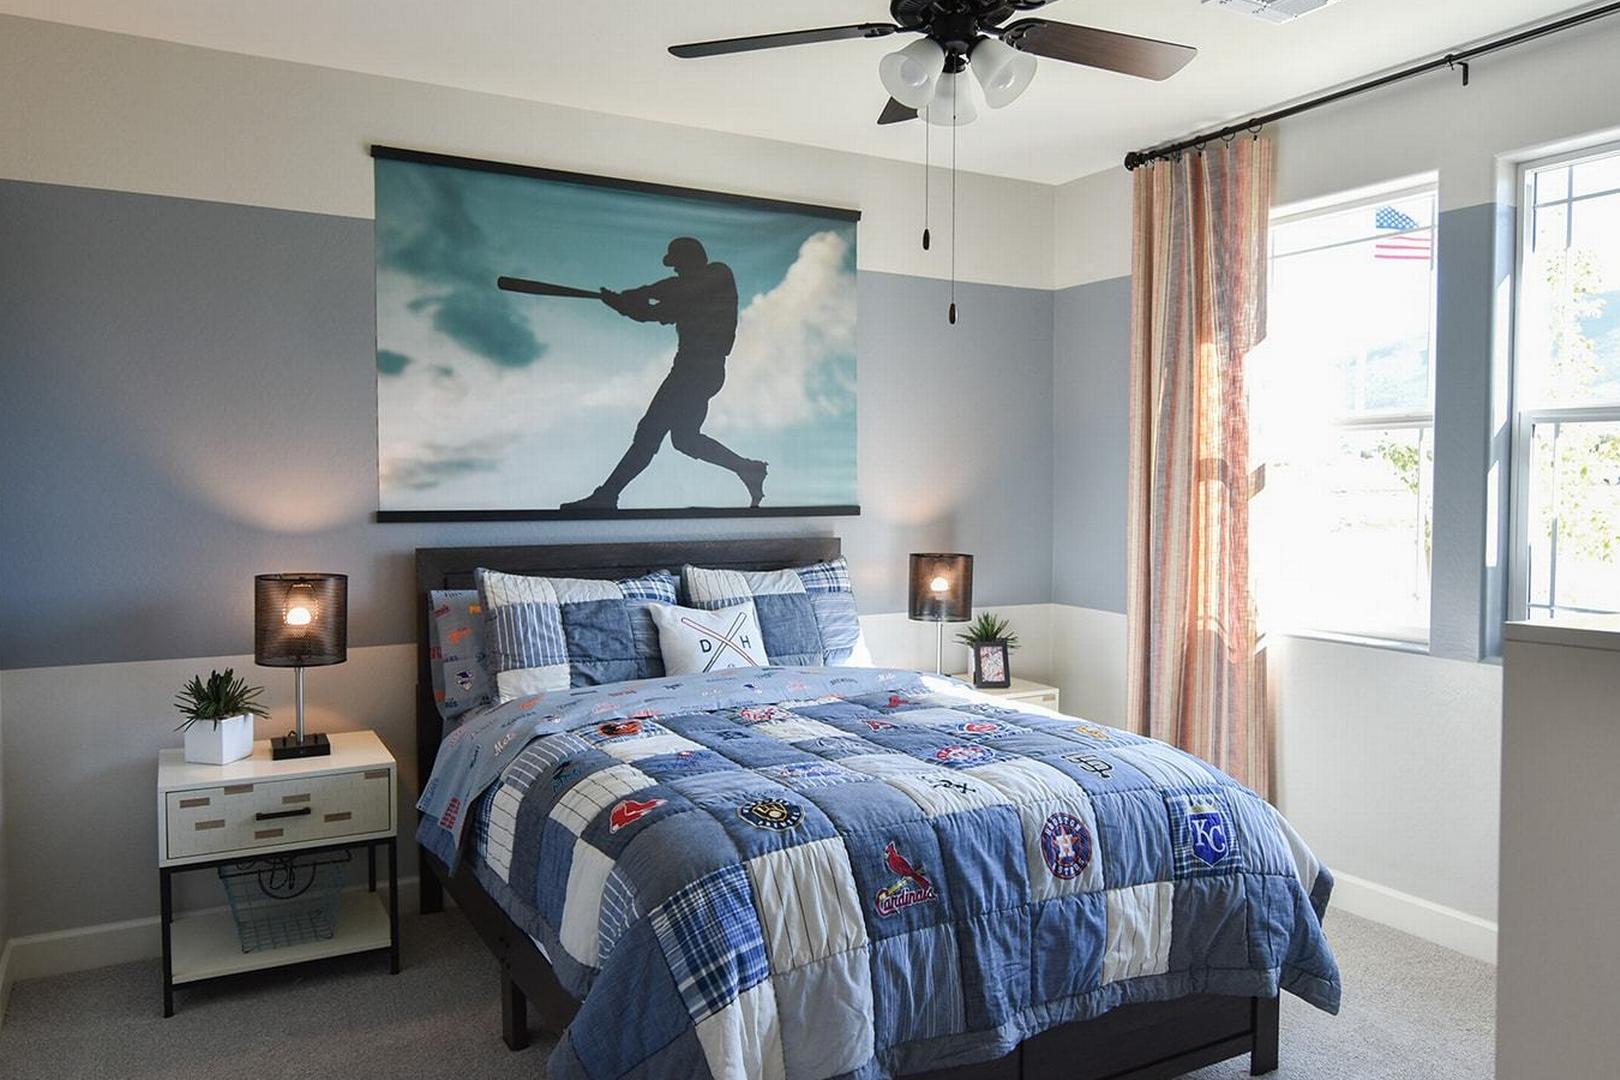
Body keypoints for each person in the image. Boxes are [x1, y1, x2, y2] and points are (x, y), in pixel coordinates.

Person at [561, 237, 767, 510]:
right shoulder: (686, 297)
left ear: (690, 260)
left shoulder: (717, 275)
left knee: (648, 433)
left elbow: (676, 289)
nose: (676, 270)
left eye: (678, 265)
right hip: (698, 371)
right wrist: (621, 303)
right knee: (686, 440)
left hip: (695, 371)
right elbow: (651, 312)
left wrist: (637, 293)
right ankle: (747, 468)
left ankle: (607, 496)